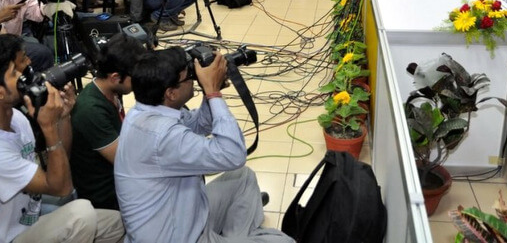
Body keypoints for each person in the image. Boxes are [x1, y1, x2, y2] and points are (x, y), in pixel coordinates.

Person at [114, 47, 293, 243]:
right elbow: (232, 154)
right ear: (171, 93)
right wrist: (213, 93)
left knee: (244, 178)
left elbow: (200, 124)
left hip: (189, 217)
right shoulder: (162, 136)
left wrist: (211, 92)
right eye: (188, 77)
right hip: (181, 238)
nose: (193, 79)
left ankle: (235, 237)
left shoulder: (144, 111)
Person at [0, 34, 126, 243]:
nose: (28, 70)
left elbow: (58, 164)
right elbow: (60, 186)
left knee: (117, 223)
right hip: (12, 237)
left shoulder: (16, 118)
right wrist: (48, 126)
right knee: (81, 214)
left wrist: (64, 119)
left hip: (33, 216)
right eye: (16, 72)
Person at [70, 33, 145, 211]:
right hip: (106, 196)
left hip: (119, 180)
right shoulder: (91, 111)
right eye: (135, 76)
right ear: (115, 77)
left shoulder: (113, 91)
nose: (140, 80)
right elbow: (126, 162)